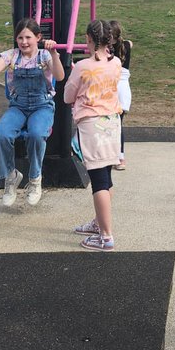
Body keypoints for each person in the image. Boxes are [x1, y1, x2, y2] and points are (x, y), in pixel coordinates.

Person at [0, 20, 65, 208]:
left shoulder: (45, 55)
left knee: (37, 134)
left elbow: (59, 76)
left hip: (42, 106)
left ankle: (35, 179)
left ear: (38, 38)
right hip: (19, 106)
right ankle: (11, 176)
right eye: (20, 37)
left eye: (28, 37)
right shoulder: (11, 56)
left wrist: (55, 54)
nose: (24, 42)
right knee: (1, 135)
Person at [64, 19, 122, 250]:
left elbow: (68, 95)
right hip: (112, 123)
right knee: (106, 177)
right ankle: (100, 223)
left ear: (88, 39)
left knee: (97, 180)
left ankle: (106, 235)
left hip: (91, 124)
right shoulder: (116, 62)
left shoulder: (83, 66)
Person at [108, 20, 132, 170]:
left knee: (113, 123)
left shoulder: (108, 50)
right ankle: (119, 157)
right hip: (123, 87)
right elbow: (130, 42)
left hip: (114, 85)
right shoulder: (126, 46)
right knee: (118, 123)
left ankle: (116, 156)